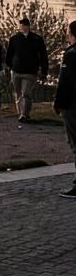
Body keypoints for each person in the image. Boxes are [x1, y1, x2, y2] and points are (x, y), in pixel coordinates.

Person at [6, 17, 48, 122]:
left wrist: (43, 70)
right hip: (16, 70)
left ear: (29, 26)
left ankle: (25, 114)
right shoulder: (14, 38)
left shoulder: (36, 39)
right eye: (22, 25)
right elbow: (9, 54)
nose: (23, 27)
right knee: (18, 92)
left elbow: (43, 55)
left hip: (30, 71)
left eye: (25, 25)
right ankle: (21, 112)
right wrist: (10, 66)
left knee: (25, 93)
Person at [54, 21, 76, 199]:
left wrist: (58, 103)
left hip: (72, 104)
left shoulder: (71, 55)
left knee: (75, 143)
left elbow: (65, 82)